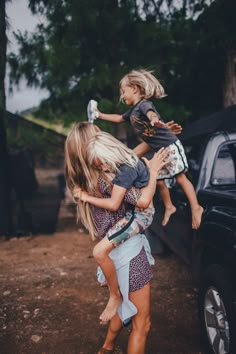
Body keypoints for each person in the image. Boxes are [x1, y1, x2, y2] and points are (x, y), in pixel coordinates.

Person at [64, 122, 169, 353]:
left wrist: (154, 138)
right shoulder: (109, 180)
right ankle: (109, 342)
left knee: (125, 305)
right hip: (129, 253)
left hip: (114, 252)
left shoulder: (84, 181)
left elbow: (128, 156)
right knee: (142, 324)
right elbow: (143, 201)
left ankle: (107, 347)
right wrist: (152, 172)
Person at [91, 68, 204, 229]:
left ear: (135, 89)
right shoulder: (131, 112)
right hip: (159, 149)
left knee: (180, 178)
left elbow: (151, 113)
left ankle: (196, 207)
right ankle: (169, 206)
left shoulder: (144, 104)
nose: (123, 96)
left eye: (124, 92)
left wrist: (155, 120)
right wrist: (99, 115)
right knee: (156, 179)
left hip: (170, 145)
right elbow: (117, 118)